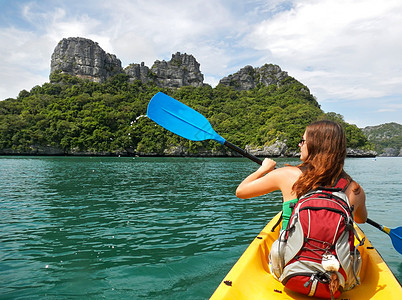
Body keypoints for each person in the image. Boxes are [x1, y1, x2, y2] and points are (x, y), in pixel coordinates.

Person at [236, 120, 367, 228]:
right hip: (334, 258)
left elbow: (241, 192)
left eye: (303, 141)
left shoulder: (285, 175)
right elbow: (360, 220)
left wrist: (263, 169)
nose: (299, 145)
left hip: (293, 258)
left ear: (315, 145)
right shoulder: (355, 189)